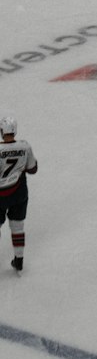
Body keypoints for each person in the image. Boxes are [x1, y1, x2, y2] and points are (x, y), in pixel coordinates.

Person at [0, 115, 37, 272]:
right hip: (19, 192)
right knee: (17, 226)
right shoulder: (25, 146)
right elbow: (33, 169)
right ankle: (19, 260)